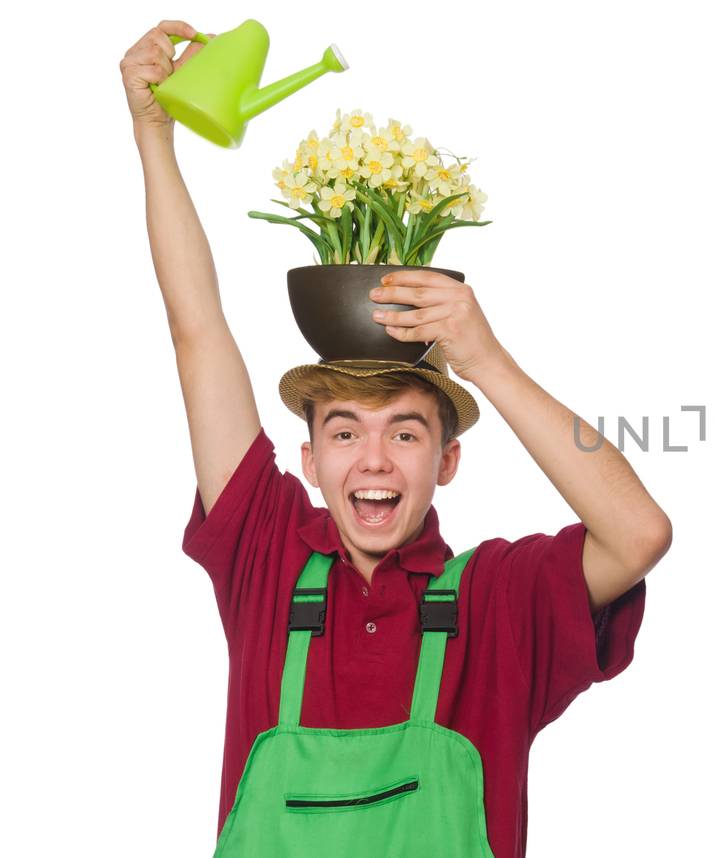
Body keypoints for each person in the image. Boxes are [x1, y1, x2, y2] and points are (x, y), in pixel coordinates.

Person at [123, 20, 671, 857]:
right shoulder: (265, 560)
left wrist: (483, 357)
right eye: (344, 432)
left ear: (447, 460)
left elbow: (638, 533)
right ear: (309, 460)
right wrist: (154, 136)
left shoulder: (497, 600)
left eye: (406, 433)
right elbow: (196, 331)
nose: (373, 459)